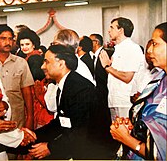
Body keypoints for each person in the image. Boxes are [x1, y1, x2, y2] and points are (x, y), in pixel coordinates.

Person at [110, 22, 167, 160]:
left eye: (155, 44)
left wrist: (126, 139)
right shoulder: (159, 80)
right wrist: (134, 128)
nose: (149, 51)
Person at [29, 44, 96, 159]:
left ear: (61, 64)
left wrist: (50, 148)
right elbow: (61, 122)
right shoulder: (66, 84)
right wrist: (35, 135)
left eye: (47, 62)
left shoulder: (79, 88)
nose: (42, 67)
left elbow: (80, 130)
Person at [99, 17, 145, 120]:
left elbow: (127, 77)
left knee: (125, 133)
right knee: (116, 133)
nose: (108, 30)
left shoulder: (132, 48)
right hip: (115, 100)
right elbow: (115, 75)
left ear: (121, 30)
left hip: (125, 101)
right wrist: (109, 68)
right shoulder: (118, 48)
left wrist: (107, 66)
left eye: (112, 27)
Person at [0, 24, 34, 130]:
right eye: (3, 38)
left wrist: (30, 117)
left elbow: (27, 92)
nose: (7, 42)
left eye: (10, 39)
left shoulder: (21, 63)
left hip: (17, 118)